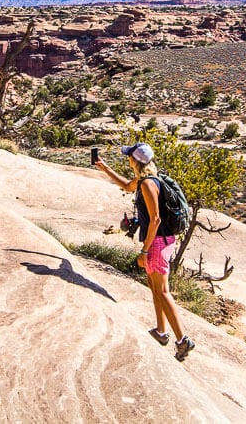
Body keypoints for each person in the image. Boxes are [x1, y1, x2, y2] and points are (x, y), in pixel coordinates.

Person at [95, 142, 195, 361]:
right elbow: (127, 186)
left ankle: (182, 340)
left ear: (135, 161)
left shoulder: (149, 184)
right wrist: (104, 168)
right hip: (161, 241)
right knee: (153, 286)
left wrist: (145, 250)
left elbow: (156, 218)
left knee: (162, 291)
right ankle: (161, 331)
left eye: (129, 157)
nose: (127, 159)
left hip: (157, 243)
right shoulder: (144, 181)